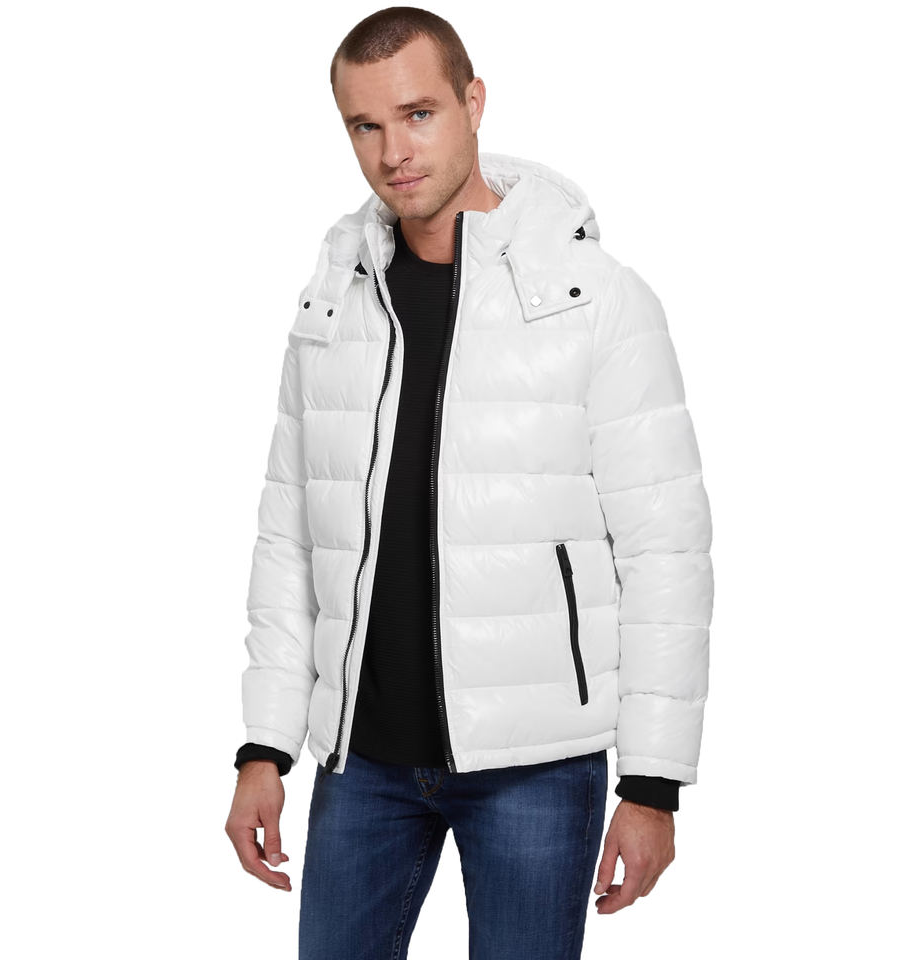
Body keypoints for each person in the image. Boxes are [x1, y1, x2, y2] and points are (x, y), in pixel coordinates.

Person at [224, 7, 713, 958]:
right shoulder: (333, 304)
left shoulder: (594, 301)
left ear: (473, 103)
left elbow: (666, 550)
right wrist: (264, 747)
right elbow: (291, 539)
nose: (393, 152)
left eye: (418, 115)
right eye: (365, 126)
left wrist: (653, 784)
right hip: (360, 760)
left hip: (537, 763)